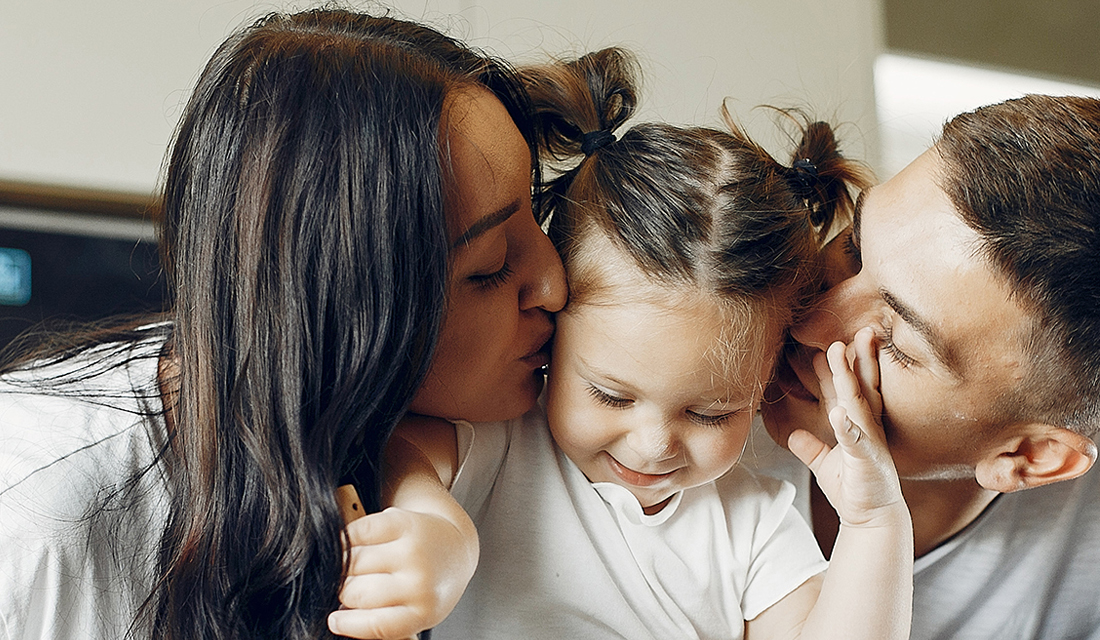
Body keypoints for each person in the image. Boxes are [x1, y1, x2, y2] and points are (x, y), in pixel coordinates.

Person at [0, 9, 565, 640]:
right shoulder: (27, 516)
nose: (555, 284)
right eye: (490, 267)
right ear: (340, 308)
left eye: (539, 220)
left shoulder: (523, 422)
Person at [373, 48, 913, 640]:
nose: (655, 446)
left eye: (711, 413)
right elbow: (397, 447)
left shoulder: (754, 523)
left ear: (765, 382)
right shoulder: (499, 442)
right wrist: (433, 522)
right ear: (553, 334)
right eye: (610, 396)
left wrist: (873, 524)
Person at [760, 94, 1100, 639]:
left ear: (1028, 456)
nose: (805, 323)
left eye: (895, 341)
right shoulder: (692, 371)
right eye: (853, 248)